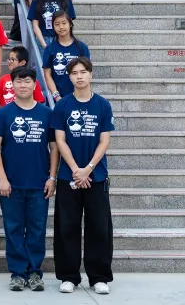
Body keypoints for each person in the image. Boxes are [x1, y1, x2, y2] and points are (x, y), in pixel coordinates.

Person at [0, 66, 58, 292]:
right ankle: (18, 273)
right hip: (12, 185)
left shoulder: (46, 113)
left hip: (39, 184)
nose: (23, 85)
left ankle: (35, 273)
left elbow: (54, 147)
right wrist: (3, 178)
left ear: (35, 84)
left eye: (28, 81)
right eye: (19, 81)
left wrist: (52, 177)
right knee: (14, 229)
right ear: (13, 84)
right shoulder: (3, 114)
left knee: (37, 229)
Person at [50, 57, 115, 295]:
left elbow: (104, 141)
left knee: (99, 227)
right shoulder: (63, 105)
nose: (79, 76)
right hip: (70, 177)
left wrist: (88, 168)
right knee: (67, 227)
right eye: (74, 73)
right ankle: (68, 276)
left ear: (91, 75)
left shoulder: (103, 105)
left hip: (96, 177)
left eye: (83, 72)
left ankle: (99, 277)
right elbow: (60, 141)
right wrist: (76, 170)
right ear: (69, 77)